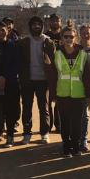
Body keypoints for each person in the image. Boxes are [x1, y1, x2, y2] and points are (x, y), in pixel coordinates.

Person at [48, 23, 90, 157]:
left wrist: (88, 93)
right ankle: (66, 147)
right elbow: (53, 76)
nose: (68, 39)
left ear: (75, 38)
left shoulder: (83, 54)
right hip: (63, 93)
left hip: (79, 94)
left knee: (77, 123)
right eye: (66, 37)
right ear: (61, 38)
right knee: (65, 123)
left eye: (71, 37)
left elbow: (87, 75)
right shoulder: (57, 54)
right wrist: (53, 94)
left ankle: (76, 147)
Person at [18, 16, 55, 145]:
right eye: (34, 25)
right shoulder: (24, 42)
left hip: (43, 80)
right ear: (30, 26)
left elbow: (53, 62)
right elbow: (20, 62)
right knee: (27, 107)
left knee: (43, 107)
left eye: (39, 24)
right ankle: (27, 133)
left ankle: (44, 133)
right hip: (28, 79)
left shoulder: (48, 42)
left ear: (42, 26)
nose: (36, 27)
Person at [78, 24, 90, 152]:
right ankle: (75, 138)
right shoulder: (74, 50)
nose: (86, 35)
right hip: (75, 87)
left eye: (88, 33)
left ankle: (83, 139)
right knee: (76, 114)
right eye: (83, 33)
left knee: (85, 115)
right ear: (80, 34)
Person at [45, 13, 62, 132]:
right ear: (49, 22)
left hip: (61, 71)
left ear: (60, 22)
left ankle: (59, 123)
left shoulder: (65, 35)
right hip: (48, 72)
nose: (55, 22)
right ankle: (48, 124)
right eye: (53, 20)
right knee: (48, 100)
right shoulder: (45, 36)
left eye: (57, 20)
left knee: (60, 100)